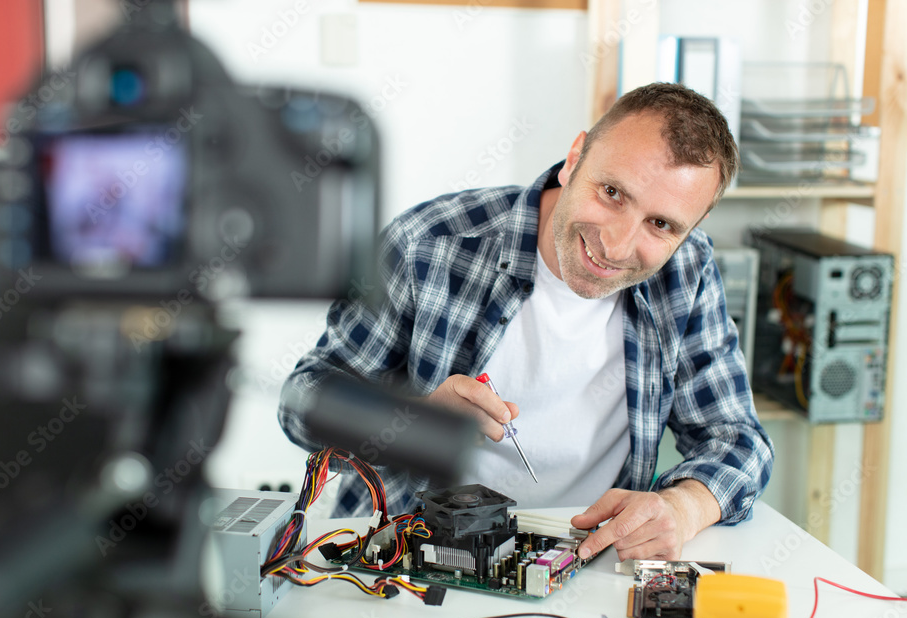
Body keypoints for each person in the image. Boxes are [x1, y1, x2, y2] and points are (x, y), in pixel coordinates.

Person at [278, 82, 774, 561]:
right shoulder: (428, 242)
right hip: (408, 552)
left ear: (690, 230)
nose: (618, 246)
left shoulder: (687, 270)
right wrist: (412, 421)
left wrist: (682, 508)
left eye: (661, 224)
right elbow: (303, 401)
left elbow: (737, 439)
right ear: (575, 159)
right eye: (612, 193)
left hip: (584, 561)